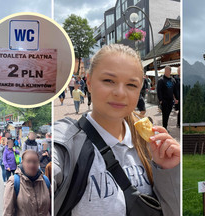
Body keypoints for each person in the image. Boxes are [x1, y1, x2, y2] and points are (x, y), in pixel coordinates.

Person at [54, 44, 180, 216]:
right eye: (108, 81)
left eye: (131, 85)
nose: (120, 93)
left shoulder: (149, 144)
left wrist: (168, 171)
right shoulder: (67, 143)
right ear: (89, 82)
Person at [3, 150, 51, 215]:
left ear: (38, 163)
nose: (32, 165)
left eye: (35, 162)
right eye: (28, 161)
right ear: (22, 163)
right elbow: (8, 212)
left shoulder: (45, 181)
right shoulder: (14, 182)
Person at [157, 66, 178, 130]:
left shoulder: (173, 80)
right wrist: (160, 100)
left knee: (168, 114)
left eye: (167, 71)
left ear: (170, 71)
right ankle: (164, 127)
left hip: (171, 101)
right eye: (165, 71)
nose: (166, 72)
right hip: (164, 100)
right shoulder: (161, 80)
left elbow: (175, 90)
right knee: (165, 114)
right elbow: (158, 90)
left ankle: (165, 126)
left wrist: (176, 98)